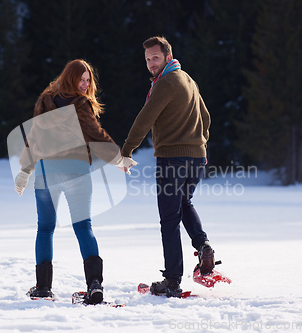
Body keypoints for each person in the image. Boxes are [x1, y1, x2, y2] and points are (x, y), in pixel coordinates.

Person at [14, 59, 120, 304]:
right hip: (76, 171)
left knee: (45, 228)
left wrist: (25, 169)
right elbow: (95, 134)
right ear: (69, 78)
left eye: (87, 80)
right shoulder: (80, 104)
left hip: (47, 172)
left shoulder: (45, 101)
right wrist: (118, 158)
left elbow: (34, 137)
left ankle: (43, 288)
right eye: (80, 79)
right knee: (83, 227)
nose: (84, 84)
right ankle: (94, 284)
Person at [119, 36, 213, 297]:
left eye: (155, 58)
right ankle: (203, 246)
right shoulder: (188, 80)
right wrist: (200, 145)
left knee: (169, 221)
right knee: (184, 203)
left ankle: (172, 281)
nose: (150, 63)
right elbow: (206, 117)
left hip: (172, 160)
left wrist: (126, 150)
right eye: (147, 59)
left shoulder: (166, 83)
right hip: (196, 159)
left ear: (167, 56)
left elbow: (144, 119)